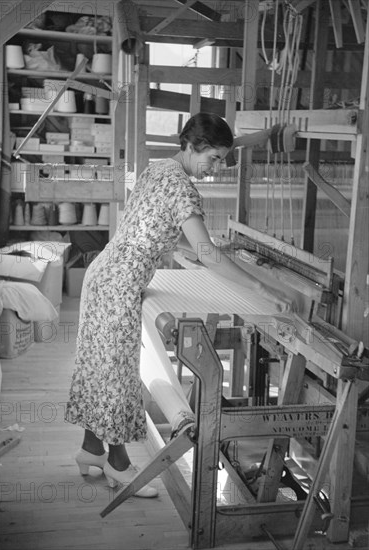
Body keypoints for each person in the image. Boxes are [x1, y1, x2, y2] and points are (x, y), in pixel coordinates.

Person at [65, 112, 292, 498]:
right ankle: (119, 465)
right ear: (192, 146)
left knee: (100, 371)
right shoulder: (183, 190)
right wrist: (263, 289)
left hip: (103, 274)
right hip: (118, 287)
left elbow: (228, 145)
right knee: (117, 377)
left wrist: (266, 136)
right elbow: (207, 253)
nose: (218, 167)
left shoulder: (159, 168)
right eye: (214, 159)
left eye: (222, 158)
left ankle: (91, 452)